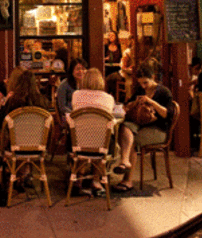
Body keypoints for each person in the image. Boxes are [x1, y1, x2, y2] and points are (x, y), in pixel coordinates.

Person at [113, 64, 174, 193]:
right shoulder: (140, 90)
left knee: (132, 141)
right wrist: (135, 102)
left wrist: (151, 102)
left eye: (145, 82)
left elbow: (167, 114)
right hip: (141, 124)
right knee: (124, 127)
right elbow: (126, 106)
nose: (143, 86)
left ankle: (127, 180)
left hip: (158, 128)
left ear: (153, 77)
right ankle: (124, 161)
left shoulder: (164, 92)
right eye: (141, 83)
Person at [70, 68, 116, 196]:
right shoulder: (109, 98)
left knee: (83, 136)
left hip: (79, 142)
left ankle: (79, 177)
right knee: (102, 139)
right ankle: (96, 180)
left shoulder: (76, 95)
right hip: (102, 143)